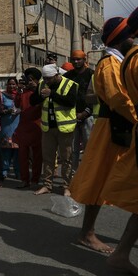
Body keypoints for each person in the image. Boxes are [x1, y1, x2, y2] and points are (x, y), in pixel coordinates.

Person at [69, 17, 136, 254]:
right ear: (120, 39)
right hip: (112, 128)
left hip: (121, 126)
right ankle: (86, 234)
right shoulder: (109, 65)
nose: (134, 38)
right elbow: (118, 99)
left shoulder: (120, 62)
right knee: (99, 180)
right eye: (132, 35)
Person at [100, 11, 138, 273]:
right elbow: (117, 100)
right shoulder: (123, 63)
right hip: (113, 129)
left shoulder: (126, 62)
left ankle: (120, 254)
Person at [31, 64, 78, 196]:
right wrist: (41, 95)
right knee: (48, 158)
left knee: (66, 159)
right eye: (45, 78)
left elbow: (71, 102)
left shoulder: (70, 84)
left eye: (49, 78)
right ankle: (47, 185)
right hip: (48, 127)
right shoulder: (42, 85)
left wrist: (52, 94)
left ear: (57, 75)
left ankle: (67, 186)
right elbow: (32, 101)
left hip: (65, 128)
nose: (46, 81)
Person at [63, 50, 95, 171]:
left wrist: (85, 113)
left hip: (89, 116)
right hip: (71, 117)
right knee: (72, 150)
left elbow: (96, 95)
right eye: (74, 59)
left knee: (89, 149)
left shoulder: (92, 74)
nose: (76, 61)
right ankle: (73, 177)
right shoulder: (67, 77)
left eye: (78, 59)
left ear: (84, 60)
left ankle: (89, 176)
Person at [14, 68, 43, 189]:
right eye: (28, 79)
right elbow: (17, 104)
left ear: (37, 80)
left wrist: (37, 89)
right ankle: (24, 179)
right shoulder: (23, 92)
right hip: (24, 126)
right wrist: (19, 91)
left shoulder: (41, 92)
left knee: (37, 156)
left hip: (37, 126)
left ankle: (35, 179)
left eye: (32, 79)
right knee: (22, 155)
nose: (30, 82)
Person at [0, 77, 20, 180]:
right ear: (6, 85)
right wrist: (7, 111)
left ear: (16, 85)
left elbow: (24, 107)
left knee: (17, 151)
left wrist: (19, 110)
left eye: (13, 84)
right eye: (9, 84)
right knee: (6, 150)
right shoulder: (2, 95)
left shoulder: (20, 95)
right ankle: (4, 171)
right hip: (6, 125)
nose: (11, 86)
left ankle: (18, 172)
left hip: (17, 126)